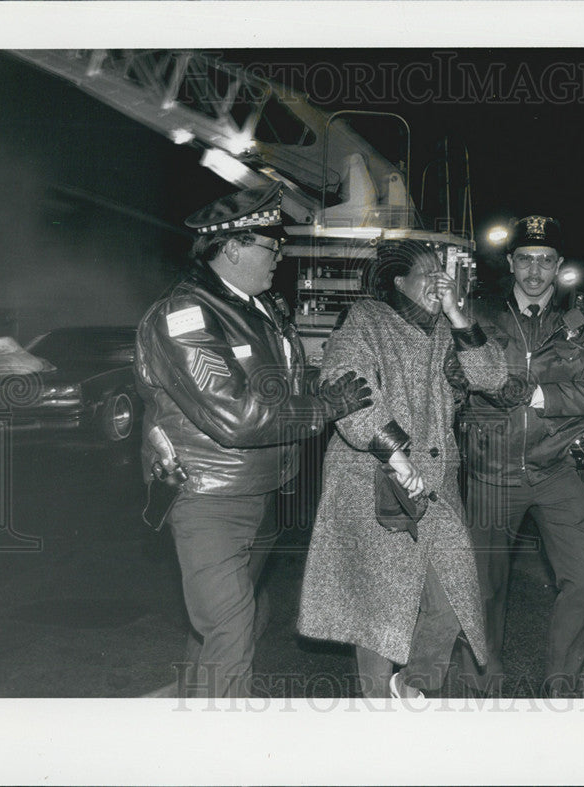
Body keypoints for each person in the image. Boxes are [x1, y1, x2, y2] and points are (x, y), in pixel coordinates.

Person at [134, 183, 372, 699]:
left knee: (231, 622)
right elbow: (237, 416)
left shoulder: (262, 309)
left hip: (262, 490)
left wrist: (318, 389)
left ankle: (195, 708)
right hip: (209, 497)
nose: (280, 254)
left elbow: (277, 387)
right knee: (231, 629)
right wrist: (325, 408)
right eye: (272, 245)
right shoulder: (186, 316)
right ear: (234, 246)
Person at [297, 241, 507, 698]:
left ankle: (410, 686)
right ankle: (379, 716)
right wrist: (394, 450)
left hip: (434, 487)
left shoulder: (447, 329)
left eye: (443, 274)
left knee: (453, 598)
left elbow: (492, 377)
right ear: (398, 281)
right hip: (374, 477)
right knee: (378, 608)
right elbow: (347, 388)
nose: (440, 282)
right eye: (427, 274)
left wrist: (457, 315)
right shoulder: (367, 320)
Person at [458, 214, 584, 697]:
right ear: (511, 262)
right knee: (481, 589)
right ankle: (485, 688)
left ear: (558, 266)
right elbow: (454, 376)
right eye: (525, 259)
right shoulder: (478, 315)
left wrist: (537, 395)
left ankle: (559, 684)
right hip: (490, 471)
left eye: (545, 260)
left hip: (556, 467)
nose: (534, 270)